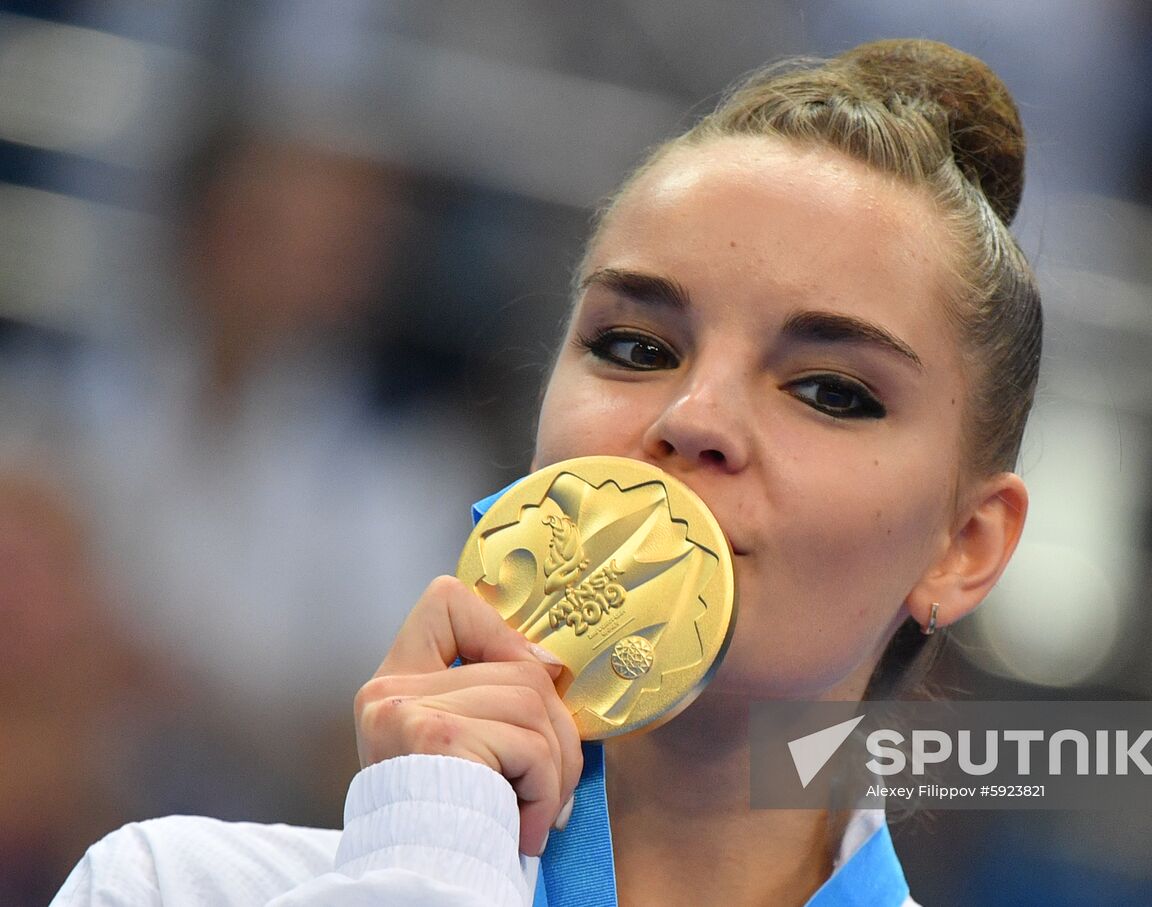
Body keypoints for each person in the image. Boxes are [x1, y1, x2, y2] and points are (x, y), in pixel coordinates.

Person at [52, 37, 1041, 906]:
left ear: (963, 546)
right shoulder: (168, 887)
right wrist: (432, 855)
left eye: (828, 391)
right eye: (636, 346)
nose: (692, 418)